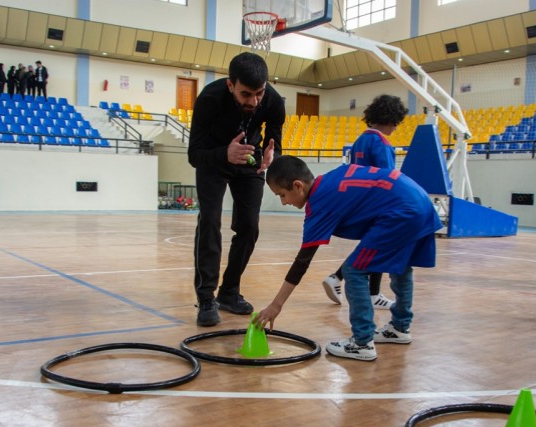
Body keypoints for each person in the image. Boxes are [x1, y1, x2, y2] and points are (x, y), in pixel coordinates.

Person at [253, 155, 443, 361]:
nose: (283, 202)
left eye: (282, 195)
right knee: (402, 265)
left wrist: (276, 305)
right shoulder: (331, 180)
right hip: (419, 201)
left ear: (298, 186)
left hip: (402, 212)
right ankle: (399, 328)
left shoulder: (320, 202)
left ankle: (362, 343)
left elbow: (302, 261)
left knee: (353, 270)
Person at [188, 51, 285, 327]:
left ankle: (229, 292)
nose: (254, 101)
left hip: (250, 162)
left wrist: (273, 153)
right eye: (246, 94)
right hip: (214, 159)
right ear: (231, 85)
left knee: (249, 227)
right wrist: (224, 153)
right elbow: (194, 155)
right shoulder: (209, 99)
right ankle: (206, 298)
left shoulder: (273, 100)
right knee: (210, 221)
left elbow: (274, 136)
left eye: (259, 94)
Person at [322, 94, 408, 310]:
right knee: (380, 245)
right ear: (390, 119)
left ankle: (356, 286)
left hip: (360, 201)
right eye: (396, 122)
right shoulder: (382, 144)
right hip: (378, 204)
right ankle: (364, 290)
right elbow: (389, 179)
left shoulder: (360, 140)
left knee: (372, 245)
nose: (396, 127)